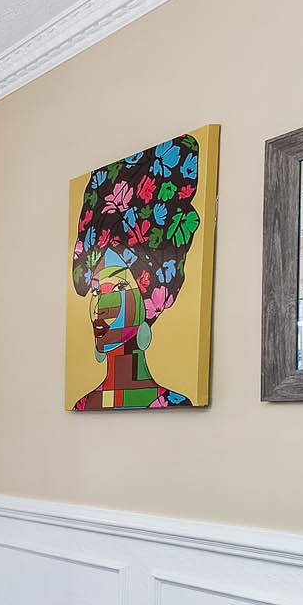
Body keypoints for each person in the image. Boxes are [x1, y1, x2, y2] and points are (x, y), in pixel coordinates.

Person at [70, 134, 205, 410]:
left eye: (119, 287)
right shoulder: (83, 404)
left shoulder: (175, 403)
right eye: (97, 290)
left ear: (149, 303)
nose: (101, 306)